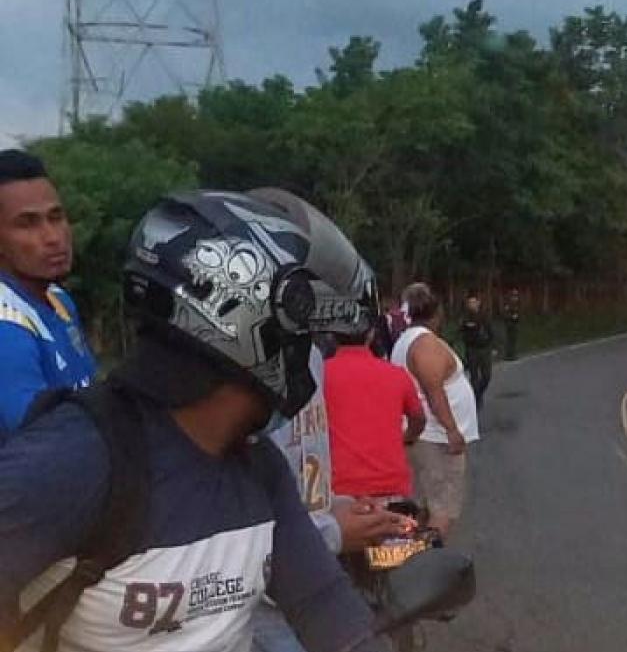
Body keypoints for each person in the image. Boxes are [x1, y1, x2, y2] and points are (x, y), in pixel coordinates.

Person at [0, 189, 388, 652]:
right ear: (250, 331)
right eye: (304, 341)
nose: (311, 360)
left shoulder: (259, 469)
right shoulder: (73, 461)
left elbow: (324, 605)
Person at [245, 188, 409, 652]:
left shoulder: (311, 359)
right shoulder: (240, 381)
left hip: (310, 584)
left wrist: (339, 505)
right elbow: (233, 512)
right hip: (259, 612)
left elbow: (297, 472)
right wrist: (336, 532)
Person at [0, 149, 95, 434]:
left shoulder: (57, 297)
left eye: (56, 217)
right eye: (27, 224)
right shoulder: (7, 329)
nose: (53, 238)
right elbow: (46, 443)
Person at [391, 283, 480, 540]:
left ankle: (411, 557)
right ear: (437, 312)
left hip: (421, 435)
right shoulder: (425, 344)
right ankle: (428, 565)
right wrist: (452, 429)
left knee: (423, 507)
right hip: (435, 438)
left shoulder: (405, 341)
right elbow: (434, 391)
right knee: (442, 508)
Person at [325, 330, 425, 501]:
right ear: (371, 334)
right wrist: (407, 437)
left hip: (340, 489)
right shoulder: (396, 374)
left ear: (331, 336)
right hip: (391, 485)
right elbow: (418, 419)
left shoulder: (320, 375)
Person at [458, 292, 494, 408]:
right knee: (474, 376)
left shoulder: (484, 315)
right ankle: (476, 399)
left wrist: (493, 346)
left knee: (486, 376)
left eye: (474, 302)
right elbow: (461, 331)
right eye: (470, 303)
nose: (472, 305)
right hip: (472, 349)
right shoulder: (465, 317)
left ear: (479, 303)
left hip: (485, 349)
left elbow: (491, 331)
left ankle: (478, 393)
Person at [501, 288, 522, 361]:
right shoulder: (508, 305)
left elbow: (519, 313)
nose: (515, 298)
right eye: (514, 296)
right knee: (509, 340)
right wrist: (511, 317)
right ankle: (508, 355)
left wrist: (517, 317)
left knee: (514, 340)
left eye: (516, 296)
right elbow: (505, 314)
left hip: (515, 324)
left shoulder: (517, 304)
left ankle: (513, 354)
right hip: (509, 324)